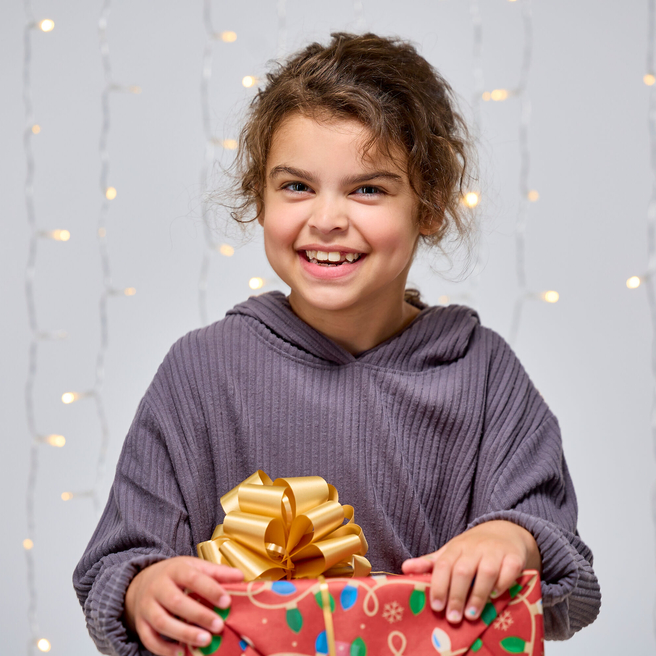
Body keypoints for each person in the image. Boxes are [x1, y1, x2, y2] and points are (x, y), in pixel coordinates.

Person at [74, 32, 601, 656]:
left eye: (368, 189)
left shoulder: (483, 373)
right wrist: (143, 590)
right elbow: (116, 564)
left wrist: (516, 540)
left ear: (428, 205)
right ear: (259, 194)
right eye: (296, 186)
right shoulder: (202, 372)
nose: (326, 218)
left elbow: (567, 585)